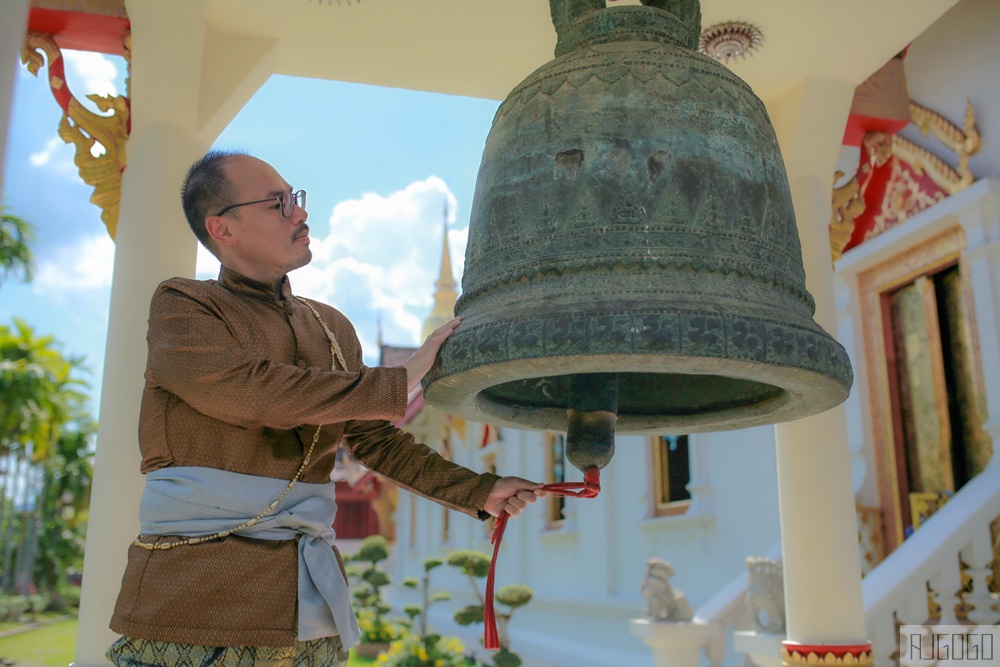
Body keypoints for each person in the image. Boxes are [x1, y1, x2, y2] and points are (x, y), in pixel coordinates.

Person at [107, 150, 545, 667]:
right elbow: (251, 392)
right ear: (222, 229)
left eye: (296, 198)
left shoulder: (332, 327)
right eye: (278, 204)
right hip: (196, 596)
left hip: (306, 607)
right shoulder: (184, 306)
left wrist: (480, 489)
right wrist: (400, 380)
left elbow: (375, 441)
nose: (300, 213)